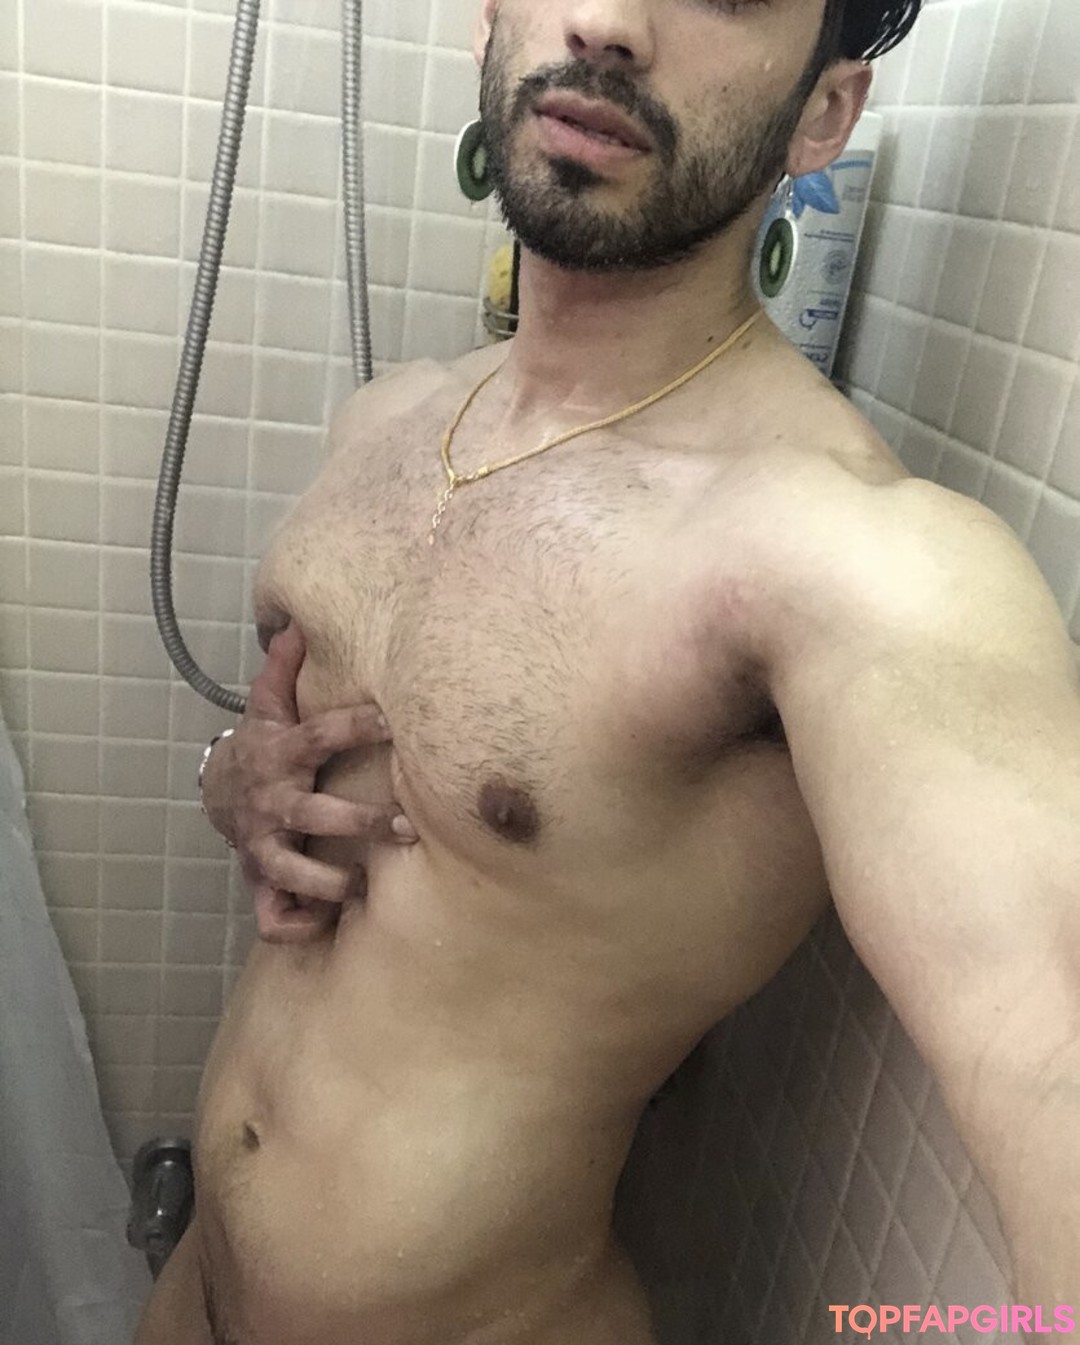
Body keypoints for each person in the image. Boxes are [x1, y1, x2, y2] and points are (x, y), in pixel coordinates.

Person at [136, 1, 1080, 1341]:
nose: (612, 19)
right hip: (195, 1296)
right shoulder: (388, 422)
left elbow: (1049, 1040)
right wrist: (233, 778)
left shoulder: (841, 555)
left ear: (823, 113)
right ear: (490, 25)